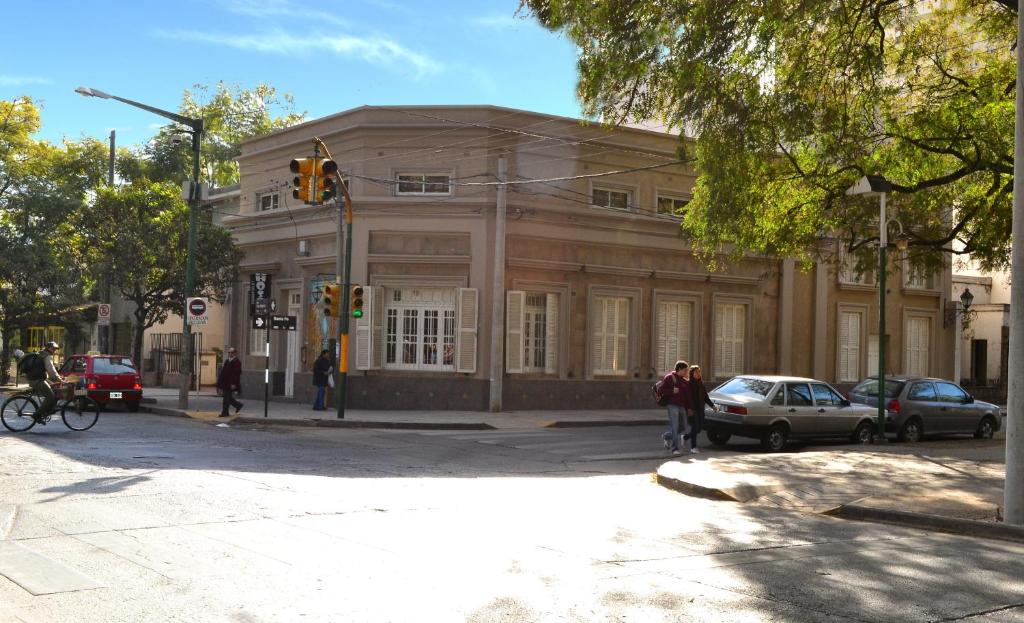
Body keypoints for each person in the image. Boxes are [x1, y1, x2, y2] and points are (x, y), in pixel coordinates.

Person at [657, 360, 691, 456]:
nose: (686, 372)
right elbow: (660, 390)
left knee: (683, 426)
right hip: (672, 406)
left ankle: (667, 436)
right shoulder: (670, 377)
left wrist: (689, 408)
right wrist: (672, 391)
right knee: (675, 427)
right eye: (685, 370)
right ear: (679, 369)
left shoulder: (685, 381)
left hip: (682, 407)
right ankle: (675, 448)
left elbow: (687, 396)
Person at [28, 342, 65, 418]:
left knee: (55, 388)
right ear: (48, 348)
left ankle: (49, 409)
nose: (54, 350)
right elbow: (50, 370)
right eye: (53, 348)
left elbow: (50, 370)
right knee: (50, 396)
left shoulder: (42, 353)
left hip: (37, 378)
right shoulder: (46, 356)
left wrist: (58, 378)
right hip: (37, 380)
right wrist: (59, 379)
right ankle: (37, 414)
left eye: (55, 349)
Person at [687, 364, 718, 453]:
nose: (698, 374)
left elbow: (706, 398)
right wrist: (689, 408)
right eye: (696, 372)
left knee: (699, 428)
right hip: (692, 409)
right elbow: (687, 398)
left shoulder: (701, 384)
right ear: (692, 374)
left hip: (700, 408)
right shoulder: (688, 384)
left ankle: (685, 437)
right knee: (694, 427)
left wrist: (713, 406)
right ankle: (693, 447)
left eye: (699, 372)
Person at [216, 347, 243, 417]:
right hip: (225, 382)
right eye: (229, 352)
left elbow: (236, 374)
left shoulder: (237, 362)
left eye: (232, 352)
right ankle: (238, 405)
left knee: (226, 398)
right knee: (227, 397)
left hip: (231, 383)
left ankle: (225, 412)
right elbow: (223, 372)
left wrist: (234, 383)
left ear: (235, 353)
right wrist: (219, 382)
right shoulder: (227, 361)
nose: (230, 354)